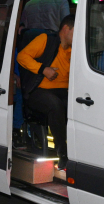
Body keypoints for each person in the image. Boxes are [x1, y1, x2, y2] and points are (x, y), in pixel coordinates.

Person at [17, 14, 75, 170]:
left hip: (63, 90)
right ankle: (63, 155)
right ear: (65, 29)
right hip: (38, 91)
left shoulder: (73, 50)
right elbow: (22, 56)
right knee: (55, 105)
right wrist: (43, 69)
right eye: (75, 31)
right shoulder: (46, 40)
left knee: (80, 104)